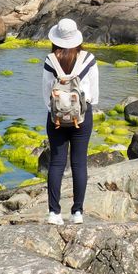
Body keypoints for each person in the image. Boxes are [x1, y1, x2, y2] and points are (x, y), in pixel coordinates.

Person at [42, 17, 99, 225]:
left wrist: (55, 111)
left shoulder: (51, 61)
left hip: (56, 118)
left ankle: (54, 213)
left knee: (56, 163)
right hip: (82, 117)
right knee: (79, 163)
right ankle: (77, 213)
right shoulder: (89, 59)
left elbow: (46, 93)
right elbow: (94, 93)